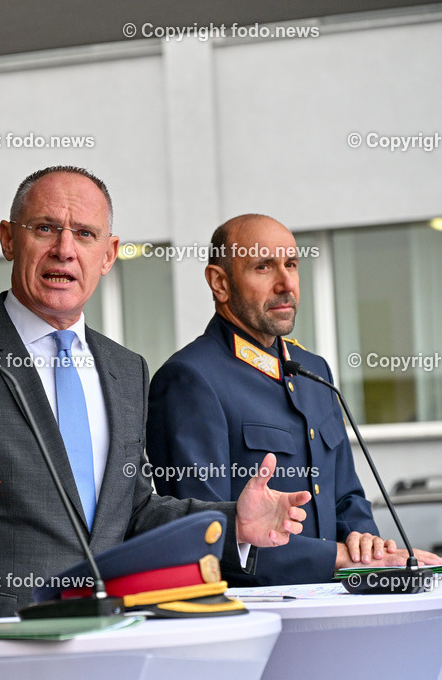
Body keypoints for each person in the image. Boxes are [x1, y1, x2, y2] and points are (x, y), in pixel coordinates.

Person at [0, 167, 312, 618]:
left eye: (85, 234)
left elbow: (134, 511)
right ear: (9, 239)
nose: (64, 250)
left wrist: (236, 523)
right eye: (46, 228)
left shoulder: (126, 370)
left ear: (109, 254)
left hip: (107, 634)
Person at [146, 214, 442, 585]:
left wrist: (366, 545)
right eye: (263, 267)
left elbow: (347, 495)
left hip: (338, 604)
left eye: (291, 264)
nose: (286, 283)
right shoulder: (190, 378)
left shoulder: (313, 372)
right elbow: (202, 534)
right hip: (255, 617)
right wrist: (334, 557)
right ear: (220, 283)